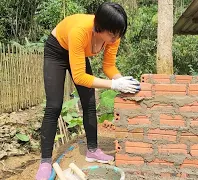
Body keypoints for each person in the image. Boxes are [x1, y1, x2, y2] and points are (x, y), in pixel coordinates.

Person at [36, 2, 140, 180]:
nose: (116, 38)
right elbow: (79, 77)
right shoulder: (80, 32)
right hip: (57, 50)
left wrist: (120, 79)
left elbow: (109, 66)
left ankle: (92, 150)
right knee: (54, 106)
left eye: (119, 33)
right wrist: (113, 85)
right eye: (112, 34)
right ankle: (45, 162)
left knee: (90, 102)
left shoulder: (114, 35)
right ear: (99, 28)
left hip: (78, 54)